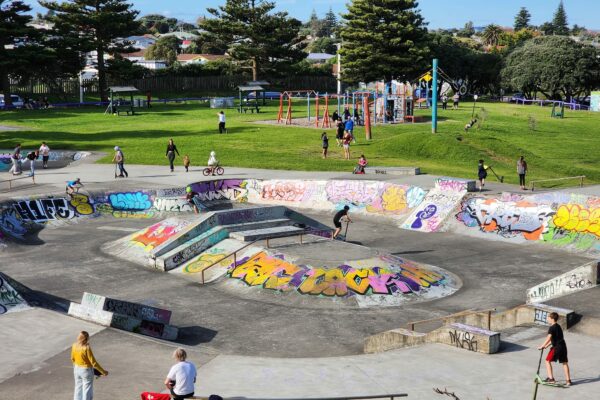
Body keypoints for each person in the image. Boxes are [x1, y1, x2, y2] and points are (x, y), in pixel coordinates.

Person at [71, 331, 108, 400]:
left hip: (76, 368)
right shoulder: (86, 348)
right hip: (86, 370)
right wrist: (103, 372)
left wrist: (77, 367)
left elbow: (72, 358)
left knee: (78, 387)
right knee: (87, 389)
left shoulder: (74, 345)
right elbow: (93, 362)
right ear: (86, 339)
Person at [538, 312, 571, 386]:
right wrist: (546, 346)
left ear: (552, 319)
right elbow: (556, 338)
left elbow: (549, 337)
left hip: (557, 347)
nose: (547, 318)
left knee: (547, 361)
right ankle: (568, 381)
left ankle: (551, 379)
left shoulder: (551, 328)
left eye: (548, 317)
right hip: (563, 346)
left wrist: (542, 345)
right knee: (564, 362)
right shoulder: (558, 326)